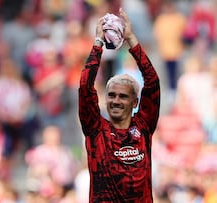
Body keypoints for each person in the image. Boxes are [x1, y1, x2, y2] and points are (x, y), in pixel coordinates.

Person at [78, 8, 160, 203]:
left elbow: (152, 82)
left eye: (123, 96)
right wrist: (98, 43)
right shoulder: (95, 129)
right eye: (111, 95)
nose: (115, 100)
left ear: (135, 102)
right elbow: (84, 86)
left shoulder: (144, 126)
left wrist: (131, 39)